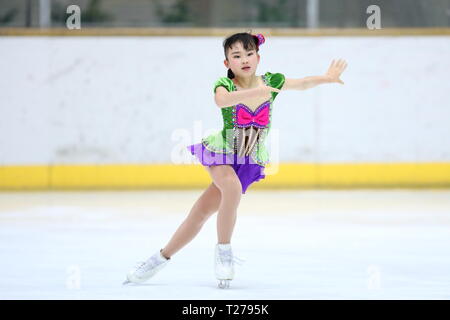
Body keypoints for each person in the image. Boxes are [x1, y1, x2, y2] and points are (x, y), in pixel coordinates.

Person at [123, 31, 347, 289]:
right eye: (236, 55)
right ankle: (224, 252)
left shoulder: (271, 81)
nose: (244, 59)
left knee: (200, 214)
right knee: (230, 187)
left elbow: (302, 83)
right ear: (227, 63)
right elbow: (221, 101)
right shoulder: (226, 84)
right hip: (222, 152)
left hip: (248, 159)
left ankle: (158, 259)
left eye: (249, 53)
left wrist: (327, 78)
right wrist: (254, 93)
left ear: (258, 57)